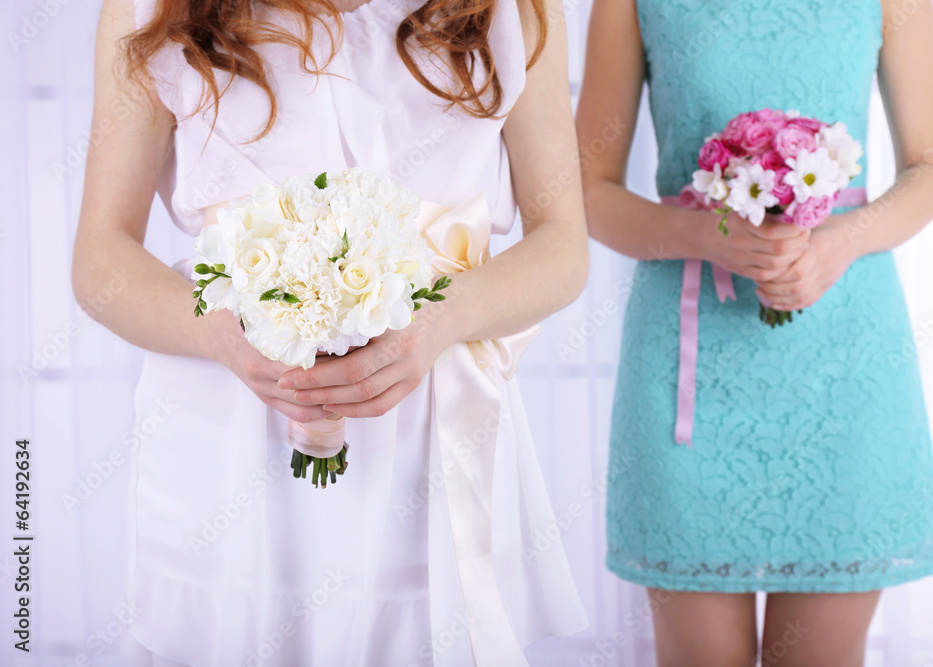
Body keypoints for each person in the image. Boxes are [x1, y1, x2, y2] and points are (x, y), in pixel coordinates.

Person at [71, 0, 589, 664]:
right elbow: (101, 258)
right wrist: (224, 338)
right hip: (226, 439)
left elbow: (563, 246)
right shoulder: (151, 10)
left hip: (431, 441)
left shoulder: (513, 11)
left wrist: (441, 320)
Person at [576, 0, 933, 664]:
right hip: (687, 371)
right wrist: (704, 234)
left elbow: (930, 166)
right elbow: (586, 187)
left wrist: (839, 241)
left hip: (845, 360)